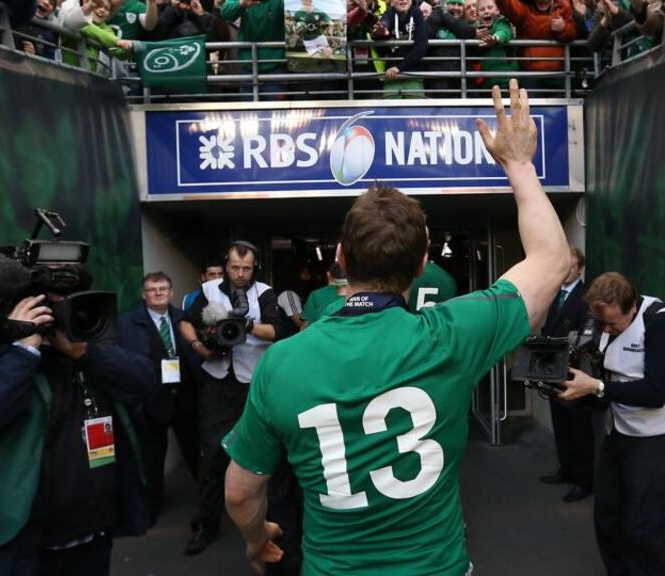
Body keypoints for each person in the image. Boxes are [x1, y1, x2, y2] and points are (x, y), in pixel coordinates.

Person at [221, 80, 570, 575]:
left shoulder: (282, 362)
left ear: (340, 258)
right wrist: (518, 164)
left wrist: (256, 541)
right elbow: (553, 259)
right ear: (423, 261)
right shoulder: (449, 337)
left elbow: (240, 491)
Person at [0, 271, 155, 575]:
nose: (60, 306)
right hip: (16, 550)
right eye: (48, 297)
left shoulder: (81, 348)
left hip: (89, 542)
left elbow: (144, 380)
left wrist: (85, 352)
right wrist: (23, 351)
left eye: (68, 296)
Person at [558, 271, 665, 576]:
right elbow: (611, 382)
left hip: (663, 432)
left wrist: (596, 388)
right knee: (609, 515)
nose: (609, 329)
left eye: (615, 323)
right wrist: (579, 394)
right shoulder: (604, 326)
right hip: (623, 428)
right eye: (603, 324)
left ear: (633, 306)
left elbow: (655, 392)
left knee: (648, 523)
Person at [178, 241, 283, 556]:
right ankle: (207, 526)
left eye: (246, 268)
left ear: (255, 267)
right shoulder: (209, 290)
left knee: (268, 457)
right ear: (226, 265)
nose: (240, 274)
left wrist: (245, 324)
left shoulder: (264, 292)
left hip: (255, 385)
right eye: (235, 268)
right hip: (217, 382)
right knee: (212, 456)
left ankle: (273, 527)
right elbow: (186, 321)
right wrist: (199, 345)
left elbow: (277, 331)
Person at [115, 271, 202, 523]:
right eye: (153, 289)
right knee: (152, 459)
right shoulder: (127, 324)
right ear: (144, 294)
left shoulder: (184, 319)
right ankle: (151, 509)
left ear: (171, 293)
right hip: (151, 401)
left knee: (196, 454)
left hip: (185, 399)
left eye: (163, 288)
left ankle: (210, 505)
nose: (158, 293)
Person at [538, 247, 595, 502]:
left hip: (575, 374)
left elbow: (588, 337)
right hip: (553, 371)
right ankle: (566, 470)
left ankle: (584, 481)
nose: (566, 271)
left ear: (580, 268)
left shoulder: (586, 298)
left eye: (570, 267)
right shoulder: (555, 295)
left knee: (579, 430)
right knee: (560, 424)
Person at [300, 261, 348, 326]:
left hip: (321, 334)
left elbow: (306, 324)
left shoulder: (316, 295)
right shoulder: (358, 293)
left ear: (328, 274)